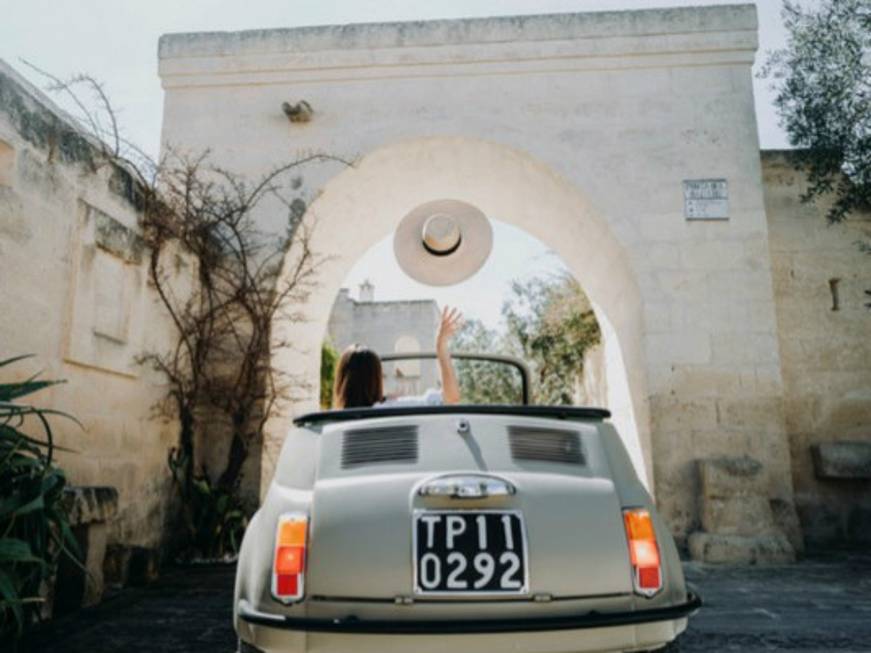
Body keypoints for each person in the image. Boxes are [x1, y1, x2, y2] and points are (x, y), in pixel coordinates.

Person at [332, 306, 462, 409]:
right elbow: (450, 397)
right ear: (375, 379)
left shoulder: (331, 422)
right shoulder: (392, 408)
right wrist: (441, 346)